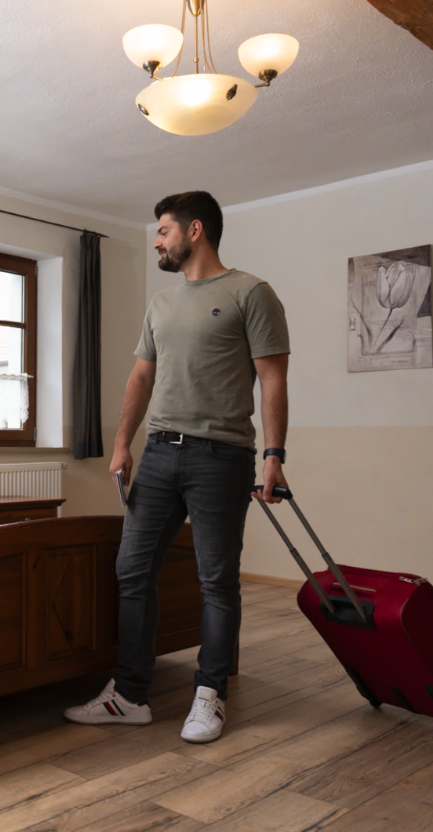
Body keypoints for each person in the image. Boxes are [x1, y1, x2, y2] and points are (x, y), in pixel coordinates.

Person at [63, 191, 290, 744]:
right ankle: (131, 695)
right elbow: (140, 379)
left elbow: (272, 379)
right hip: (161, 452)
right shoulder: (160, 304)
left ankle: (209, 696)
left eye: (163, 230)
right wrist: (122, 445)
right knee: (132, 570)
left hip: (223, 456)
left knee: (217, 580)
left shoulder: (250, 293)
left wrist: (274, 457)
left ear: (195, 231)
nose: (158, 241)